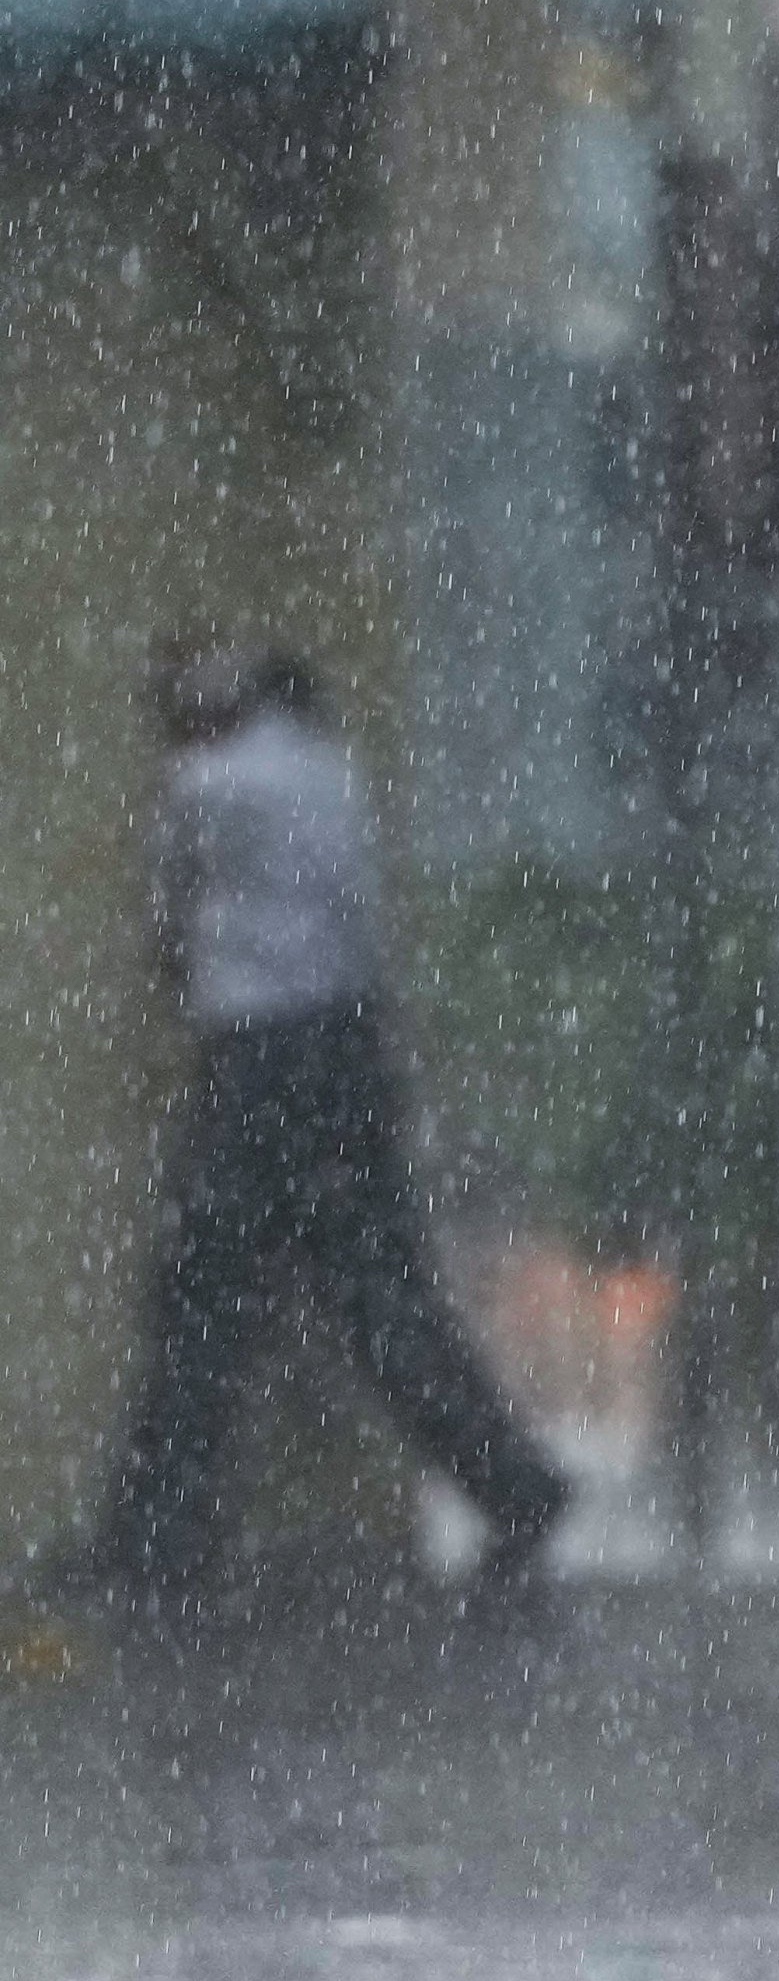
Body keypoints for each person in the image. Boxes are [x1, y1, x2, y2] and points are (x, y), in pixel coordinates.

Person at [93, 646, 572, 1622]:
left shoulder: (204, 784)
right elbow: (361, 929)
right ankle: (515, 1485)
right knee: (385, 1299)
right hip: (347, 1057)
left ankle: (158, 1536)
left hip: (257, 1064)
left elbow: (169, 937)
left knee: (198, 1298)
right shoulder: (335, 776)